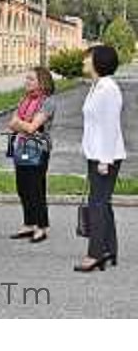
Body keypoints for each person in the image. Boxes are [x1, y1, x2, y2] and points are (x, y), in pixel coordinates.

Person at [74, 45, 126, 272]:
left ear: (99, 62)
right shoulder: (97, 86)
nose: (84, 62)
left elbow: (110, 126)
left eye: (88, 58)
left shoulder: (108, 89)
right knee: (102, 203)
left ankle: (95, 253)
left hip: (106, 156)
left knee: (97, 204)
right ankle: (109, 248)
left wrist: (105, 160)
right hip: (96, 154)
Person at [8, 67, 56, 243]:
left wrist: (21, 124)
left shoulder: (48, 102)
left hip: (39, 150)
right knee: (23, 188)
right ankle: (29, 223)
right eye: (26, 79)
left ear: (42, 82)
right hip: (21, 147)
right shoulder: (25, 100)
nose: (26, 82)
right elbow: (11, 124)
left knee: (36, 189)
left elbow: (31, 127)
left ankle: (41, 226)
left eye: (31, 79)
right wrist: (23, 124)